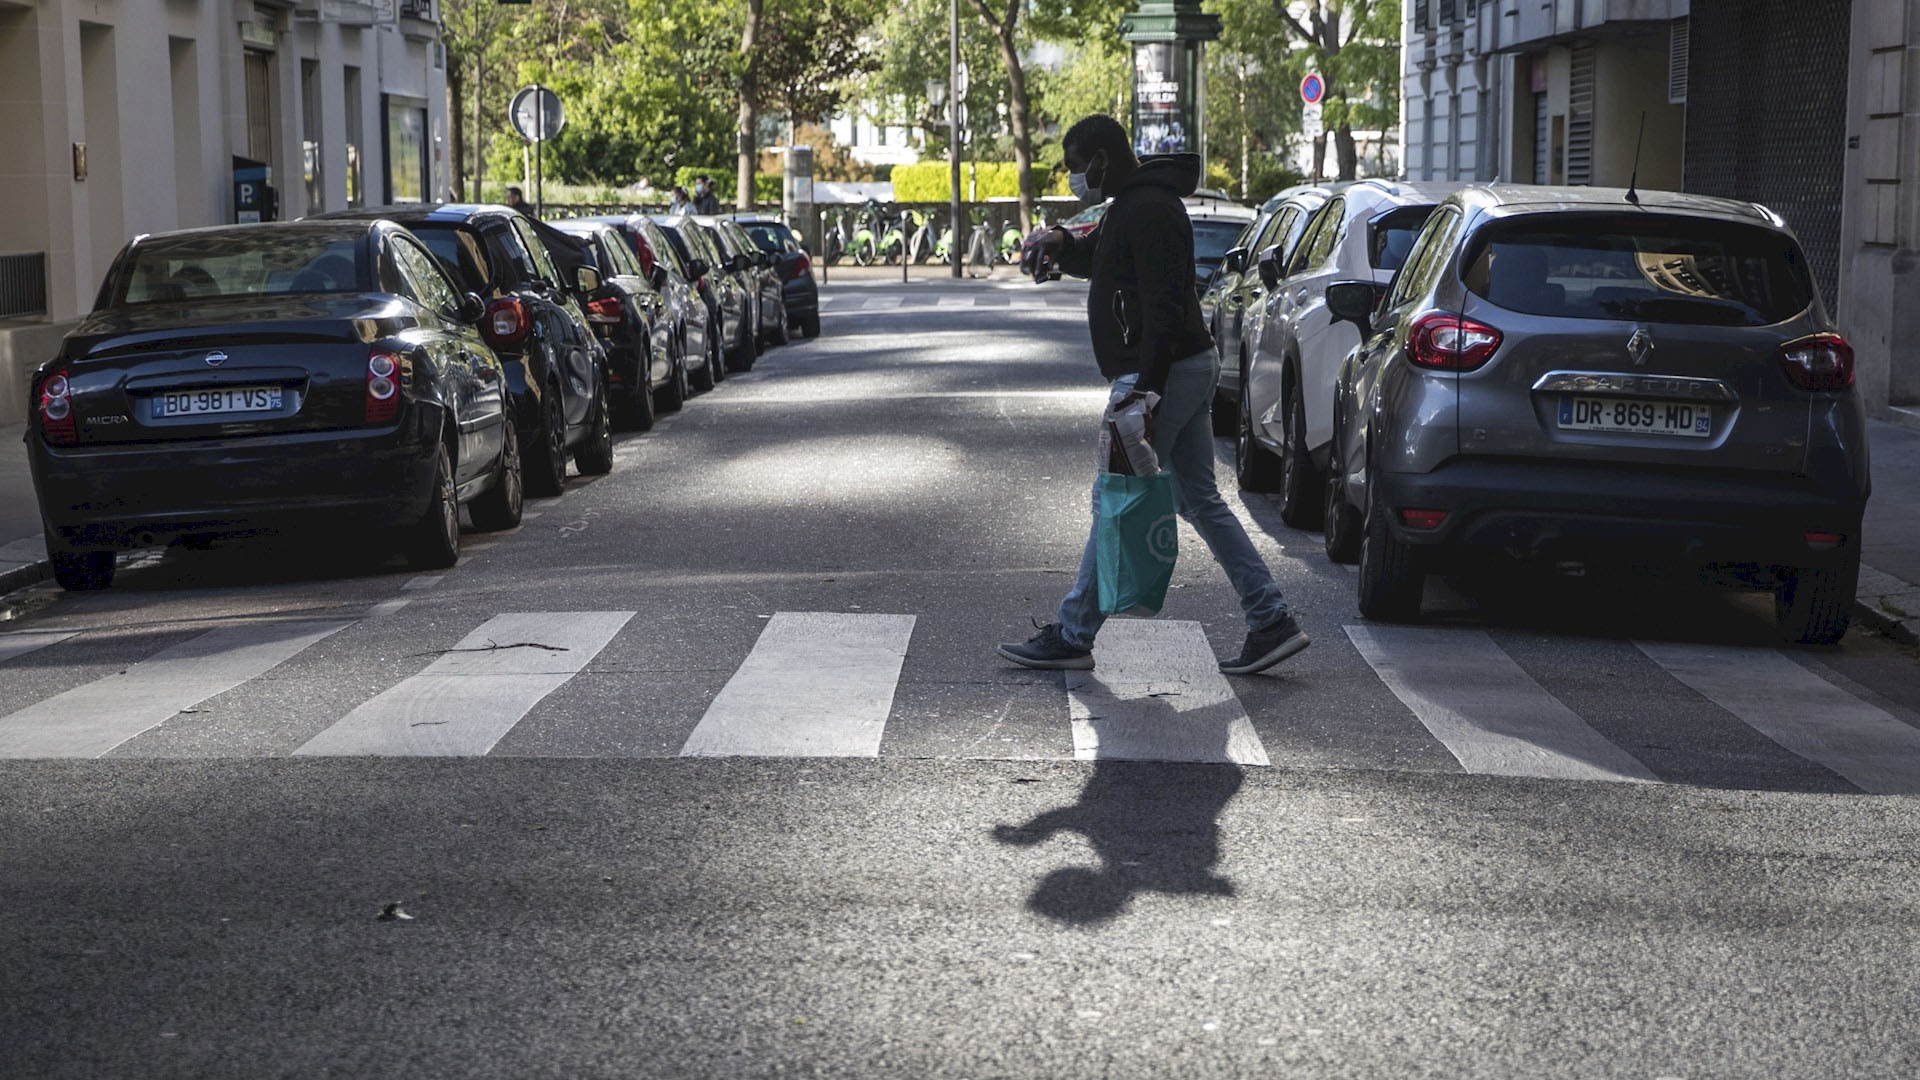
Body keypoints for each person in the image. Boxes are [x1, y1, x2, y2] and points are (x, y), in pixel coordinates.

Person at [997, 114, 1309, 676]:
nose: (1074, 180)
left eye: (1074, 168)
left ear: (1099, 161)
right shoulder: (1140, 204)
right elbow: (1108, 260)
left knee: (1112, 494)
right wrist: (1063, 242)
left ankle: (1073, 632)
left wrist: (1145, 392)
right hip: (1181, 368)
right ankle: (1270, 619)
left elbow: (1163, 307)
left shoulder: (1147, 207)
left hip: (1161, 373)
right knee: (1198, 500)